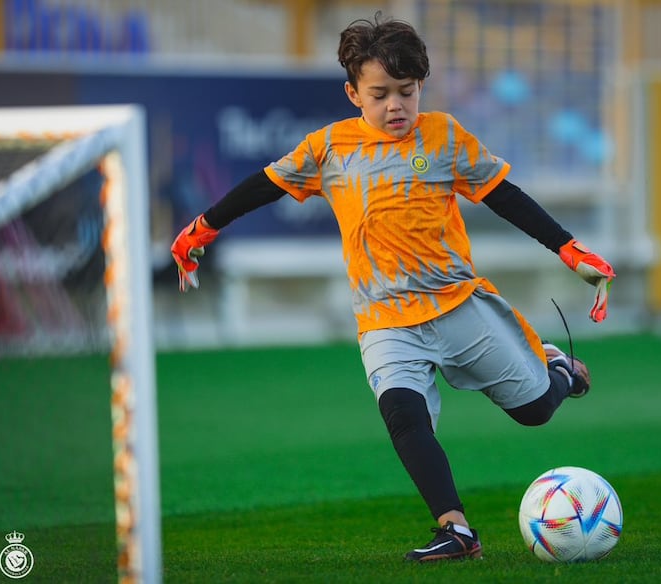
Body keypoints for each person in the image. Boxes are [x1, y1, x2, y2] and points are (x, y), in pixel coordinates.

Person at [171, 13, 615, 562]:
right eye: (380, 94)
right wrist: (203, 228)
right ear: (353, 93)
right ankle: (457, 530)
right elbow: (264, 185)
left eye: (407, 91)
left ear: (421, 86)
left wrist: (571, 250)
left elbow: (505, 197)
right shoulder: (328, 148)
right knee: (403, 415)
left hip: (456, 305)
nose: (396, 105)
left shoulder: (444, 136)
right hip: (384, 320)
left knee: (535, 411)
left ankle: (560, 371)